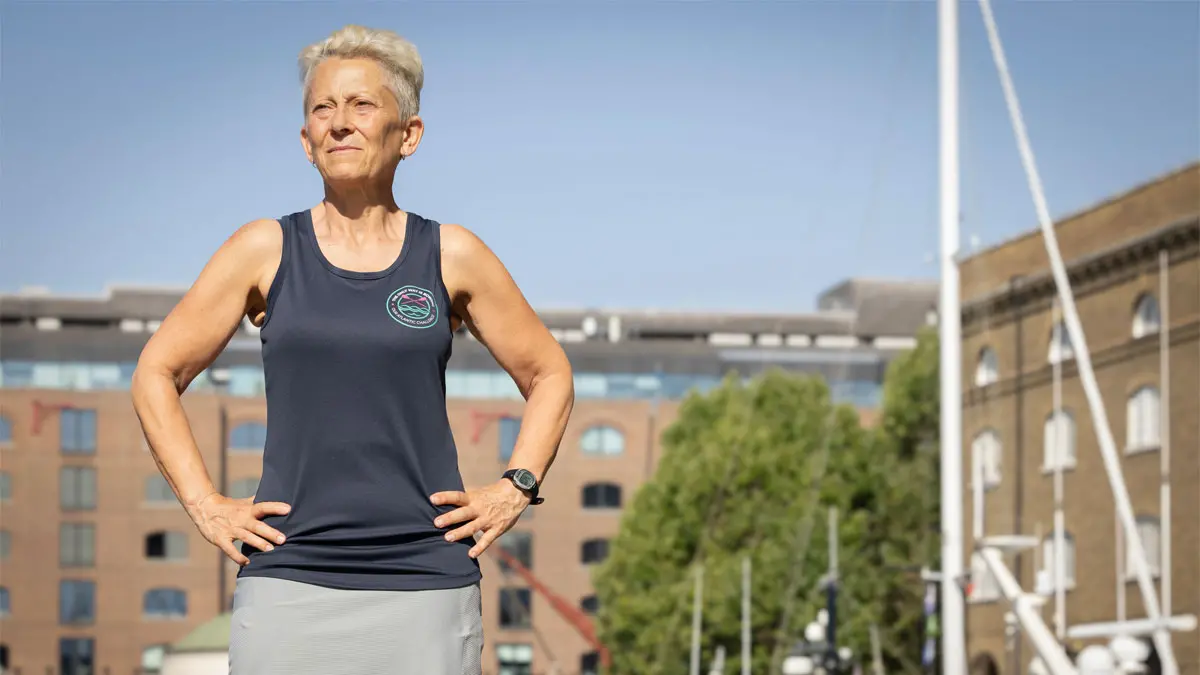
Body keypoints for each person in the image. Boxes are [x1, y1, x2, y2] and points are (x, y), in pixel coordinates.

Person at [130, 24, 575, 675]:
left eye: (361, 105)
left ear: (409, 134)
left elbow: (550, 373)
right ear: (306, 142)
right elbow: (155, 372)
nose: (339, 123)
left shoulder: (451, 254)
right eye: (322, 109)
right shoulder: (264, 250)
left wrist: (516, 486)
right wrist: (205, 503)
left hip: (427, 583)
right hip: (289, 582)